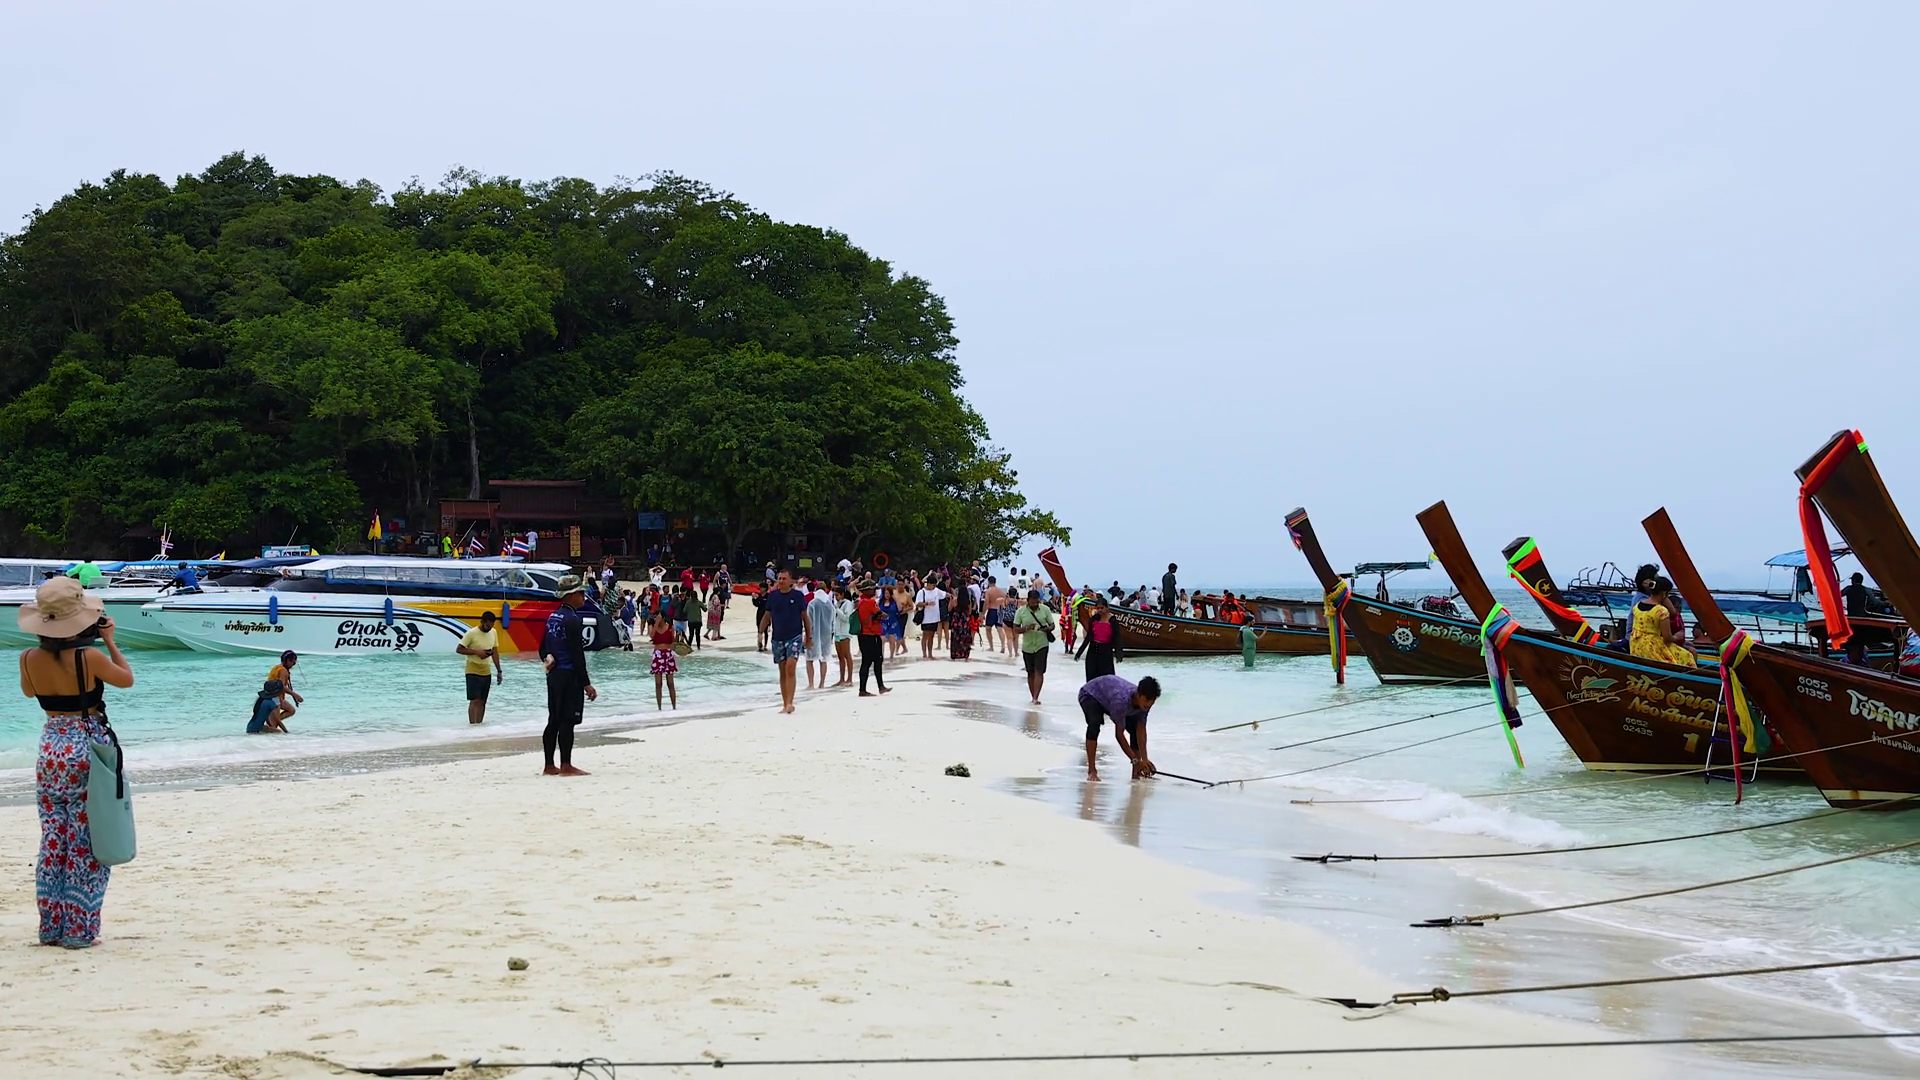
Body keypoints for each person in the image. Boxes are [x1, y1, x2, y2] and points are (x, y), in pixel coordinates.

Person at [19, 576, 134, 948]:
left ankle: (51, 926)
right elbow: (126, 680)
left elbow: (29, 691)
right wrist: (110, 640)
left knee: (54, 839)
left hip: (50, 748)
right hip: (86, 748)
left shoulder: (28, 658)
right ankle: (79, 930)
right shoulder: (89, 657)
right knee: (85, 841)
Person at [539, 575, 598, 776]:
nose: (583, 597)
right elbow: (577, 654)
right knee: (568, 720)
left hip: (553, 676)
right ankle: (566, 765)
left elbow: (542, 648)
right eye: (580, 593)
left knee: (554, 719)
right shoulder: (573, 620)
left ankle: (549, 765)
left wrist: (548, 659)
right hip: (569, 676)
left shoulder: (553, 617)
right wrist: (586, 684)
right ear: (570, 595)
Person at [1077, 674, 1160, 781]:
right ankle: (1092, 771)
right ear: (1138, 694)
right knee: (1094, 724)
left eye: (1152, 701)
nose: (1148, 704)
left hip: (1109, 698)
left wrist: (1145, 759)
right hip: (1090, 694)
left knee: (1134, 731)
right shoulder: (1121, 701)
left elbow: (1141, 729)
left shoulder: (1145, 704)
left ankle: (1136, 773)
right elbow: (1119, 735)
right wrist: (1135, 760)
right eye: (1146, 700)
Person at [764, 570, 809, 713]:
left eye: (784, 578)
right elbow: (767, 614)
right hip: (777, 637)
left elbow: (805, 616)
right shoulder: (773, 596)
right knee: (782, 670)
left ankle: (790, 702)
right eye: (779, 578)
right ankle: (785, 704)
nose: (781, 581)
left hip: (794, 636)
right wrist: (760, 632)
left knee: (790, 667)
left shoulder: (798, 596)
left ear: (791, 581)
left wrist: (809, 636)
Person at [1629, 576, 1694, 667]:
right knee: (1688, 656)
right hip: (1653, 647)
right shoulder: (1661, 611)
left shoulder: (1637, 606)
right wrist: (1677, 637)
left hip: (1635, 644)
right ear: (1664, 593)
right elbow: (1667, 638)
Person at [456, 610, 504, 724]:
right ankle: (472, 726)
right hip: (472, 670)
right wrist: (477, 652)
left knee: (483, 701)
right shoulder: (472, 633)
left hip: (486, 670)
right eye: (487, 625)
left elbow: (495, 652)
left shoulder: (493, 632)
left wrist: (499, 671)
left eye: (491, 626)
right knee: (475, 700)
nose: (489, 628)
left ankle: (479, 727)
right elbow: (459, 649)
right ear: (482, 622)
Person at [1013, 589, 1056, 704]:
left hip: (1042, 644)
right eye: (1032, 602)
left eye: (1037, 602)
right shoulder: (1020, 611)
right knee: (1030, 672)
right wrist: (1026, 628)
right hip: (1027, 646)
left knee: (1039, 671)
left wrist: (1047, 629)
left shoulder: (1045, 609)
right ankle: (1032, 696)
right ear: (1028, 600)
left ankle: (1036, 697)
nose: (1035, 604)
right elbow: (1015, 628)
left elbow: (1052, 625)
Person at [1075, 597, 1123, 680]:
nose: (1100, 610)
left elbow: (1116, 637)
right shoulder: (1094, 619)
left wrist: (1118, 653)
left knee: (1106, 678)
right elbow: (1088, 637)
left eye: (1102, 608)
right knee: (1091, 678)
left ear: (1106, 608)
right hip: (1092, 651)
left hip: (1106, 652)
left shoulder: (1112, 620)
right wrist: (1079, 652)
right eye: (1098, 608)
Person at [855, 583, 890, 696]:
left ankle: (863, 688)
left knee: (865, 661)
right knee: (877, 660)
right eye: (872, 589)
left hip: (862, 634)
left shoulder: (859, 601)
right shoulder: (870, 602)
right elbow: (881, 614)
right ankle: (879, 686)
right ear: (866, 590)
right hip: (871, 634)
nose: (874, 591)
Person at [805, 583, 838, 690]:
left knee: (809, 659)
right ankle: (822, 683)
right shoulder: (830, 605)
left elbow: (809, 621)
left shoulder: (812, 603)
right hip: (826, 635)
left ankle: (811, 684)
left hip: (813, 634)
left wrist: (807, 636)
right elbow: (833, 621)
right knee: (824, 659)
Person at [648, 610, 678, 710]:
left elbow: (673, 642)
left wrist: (678, 636)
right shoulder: (653, 627)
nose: (657, 618)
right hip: (657, 654)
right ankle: (659, 708)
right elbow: (652, 636)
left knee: (670, 683)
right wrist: (656, 623)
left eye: (659, 617)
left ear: (663, 618)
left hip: (668, 654)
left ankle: (674, 707)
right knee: (658, 684)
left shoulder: (670, 628)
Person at [267, 650, 303, 729]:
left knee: (291, 710)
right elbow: (282, 686)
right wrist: (295, 695)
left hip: (269, 696)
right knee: (274, 726)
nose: (293, 665)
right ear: (288, 661)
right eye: (293, 662)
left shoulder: (276, 667)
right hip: (275, 698)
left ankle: (272, 722)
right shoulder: (283, 671)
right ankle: (272, 724)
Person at [916, 578, 947, 659]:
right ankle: (924, 653)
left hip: (935, 617)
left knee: (932, 636)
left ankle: (930, 653)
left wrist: (951, 595)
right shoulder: (922, 592)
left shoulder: (936, 590)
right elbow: (918, 604)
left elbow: (944, 594)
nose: (934, 587)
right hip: (926, 618)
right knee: (925, 635)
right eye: (933, 585)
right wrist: (927, 603)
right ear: (928, 584)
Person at [833, 587, 856, 685]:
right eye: (835, 595)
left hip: (845, 632)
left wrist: (837, 610)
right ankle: (841, 679)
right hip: (837, 632)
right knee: (840, 656)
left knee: (847, 655)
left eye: (837, 595)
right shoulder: (837, 604)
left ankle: (849, 678)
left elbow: (847, 618)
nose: (836, 597)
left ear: (842, 594)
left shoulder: (848, 604)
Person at [981, 577, 1006, 654]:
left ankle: (991, 646)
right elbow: (1004, 602)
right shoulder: (1001, 591)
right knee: (999, 629)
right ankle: (1003, 646)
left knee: (988, 628)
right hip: (999, 611)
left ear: (989, 582)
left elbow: (986, 602)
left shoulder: (988, 591)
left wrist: (983, 613)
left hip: (992, 610)